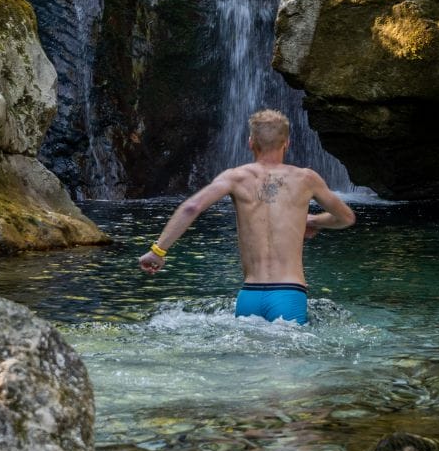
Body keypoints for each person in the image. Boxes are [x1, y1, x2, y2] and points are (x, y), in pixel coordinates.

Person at [138, 108, 355, 322]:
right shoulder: (306, 179)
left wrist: (157, 251)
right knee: (289, 356)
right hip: (288, 294)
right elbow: (345, 218)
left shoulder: (235, 177)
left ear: (250, 142)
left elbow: (191, 207)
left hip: (249, 295)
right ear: (287, 143)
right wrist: (314, 220)